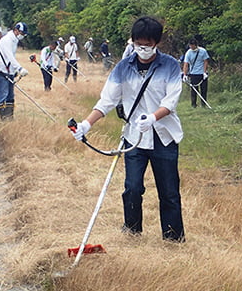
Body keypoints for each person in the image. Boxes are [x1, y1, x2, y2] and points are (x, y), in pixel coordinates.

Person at [71, 16, 185, 242]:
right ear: (132, 42)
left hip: (163, 136)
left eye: (147, 45)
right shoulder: (123, 67)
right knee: (132, 187)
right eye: (138, 44)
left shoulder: (171, 66)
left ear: (157, 43)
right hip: (134, 137)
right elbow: (107, 101)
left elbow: (171, 102)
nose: (142, 49)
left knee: (169, 191)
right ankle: (132, 231)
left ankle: (173, 238)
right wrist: (86, 124)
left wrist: (153, 117)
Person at [0, 22, 29, 120]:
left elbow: (12, 57)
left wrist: (15, 71)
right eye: (22, 33)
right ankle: (3, 118)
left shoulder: (14, 40)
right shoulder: (7, 40)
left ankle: (10, 117)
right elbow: (9, 56)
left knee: (10, 96)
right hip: (2, 71)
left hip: (10, 71)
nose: (23, 36)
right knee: (3, 95)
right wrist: (19, 68)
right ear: (16, 30)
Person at [182, 38, 210, 108]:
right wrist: (185, 74)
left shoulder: (203, 51)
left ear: (196, 45)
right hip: (193, 74)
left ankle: (203, 104)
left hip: (202, 74)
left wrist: (205, 72)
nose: (191, 47)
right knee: (194, 90)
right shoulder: (188, 53)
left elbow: (206, 61)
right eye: (190, 46)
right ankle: (193, 104)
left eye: (192, 46)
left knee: (204, 89)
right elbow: (186, 64)